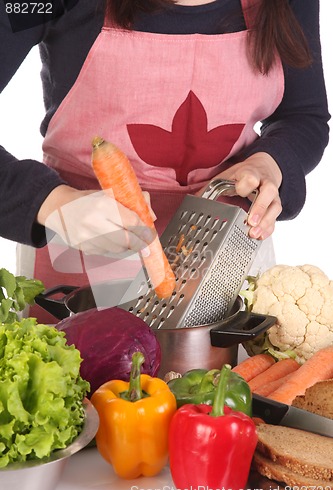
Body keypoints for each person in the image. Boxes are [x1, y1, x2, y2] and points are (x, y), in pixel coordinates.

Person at [0, 0, 330, 322]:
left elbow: (303, 115)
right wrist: (54, 203)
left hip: (226, 248)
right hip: (79, 247)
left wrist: (270, 163)